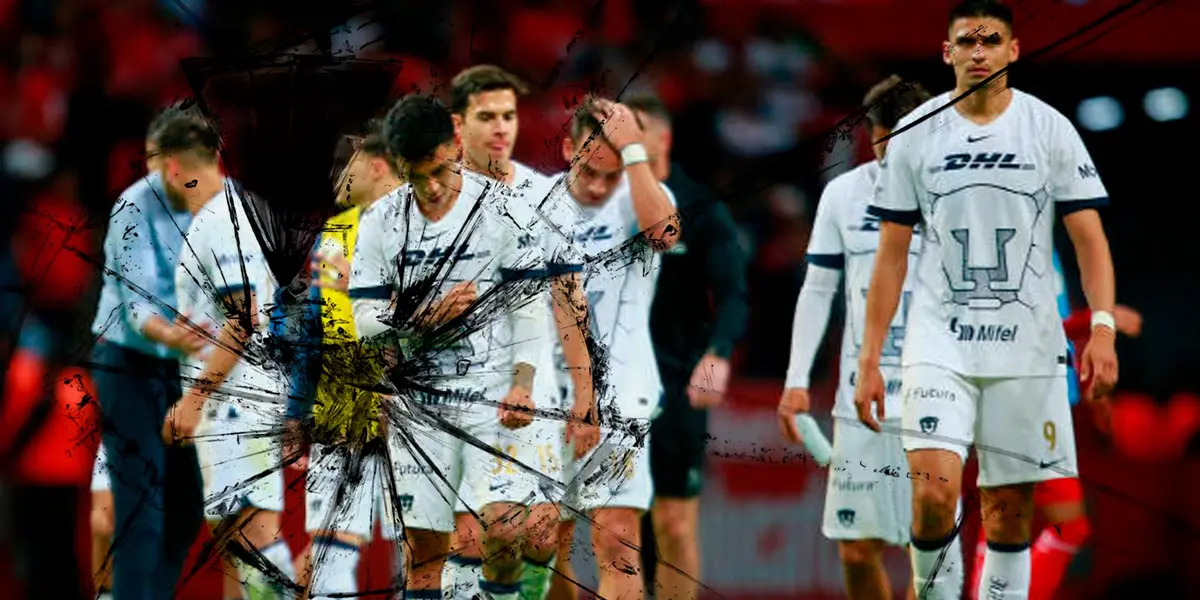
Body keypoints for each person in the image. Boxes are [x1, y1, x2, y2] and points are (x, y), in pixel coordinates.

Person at [853, 2, 1119, 599]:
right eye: (967, 42)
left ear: (1013, 50)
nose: (979, 52)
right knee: (932, 495)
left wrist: (1102, 327)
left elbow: (1089, 239)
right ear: (947, 52)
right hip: (939, 344)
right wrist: (870, 357)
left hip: (1025, 351)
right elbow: (891, 255)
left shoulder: (1049, 128)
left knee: (1007, 514)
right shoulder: (916, 133)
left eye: (991, 40)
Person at [349, 94, 577, 600]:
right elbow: (362, 318)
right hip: (420, 404)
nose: (430, 187)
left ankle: (516, 588)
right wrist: (419, 317)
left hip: (494, 397)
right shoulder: (381, 220)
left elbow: (528, 305)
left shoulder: (502, 209)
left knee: (506, 531)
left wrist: (523, 383)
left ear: (455, 145)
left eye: (438, 171)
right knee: (424, 554)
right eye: (416, 177)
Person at [777, 76, 942, 600]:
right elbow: (818, 288)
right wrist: (796, 381)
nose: (889, 148)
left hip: (935, 395)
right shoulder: (843, 194)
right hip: (861, 398)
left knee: (928, 549)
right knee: (855, 547)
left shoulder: (953, 198)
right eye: (882, 136)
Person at [441, 65, 599, 600]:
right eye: (487, 116)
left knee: (536, 535)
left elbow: (569, 301)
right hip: (450, 387)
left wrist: (585, 395)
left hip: (529, 387)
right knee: (465, 538)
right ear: (458, 124)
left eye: (508, 115)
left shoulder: (545, 197)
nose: (501, 127)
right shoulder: (434, 198)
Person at [543, 97, 681, 600]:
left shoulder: (640, 194)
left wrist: (636, 153)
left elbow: (665, 234)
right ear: (567, 150)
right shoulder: (534, 205)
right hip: (545, 393)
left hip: (623, 393)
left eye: (611, 173)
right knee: (545, 544)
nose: (600, 187)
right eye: (589, 172)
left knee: (618, 540)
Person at [615, 92, 749, 600]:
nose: (624, 141)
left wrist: (718, 352)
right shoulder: (606, 205)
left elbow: (733, 291)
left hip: (676, 378)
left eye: (636, 130)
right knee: (618, 528)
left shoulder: (700, 206)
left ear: (663, 138)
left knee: (672, 522)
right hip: (613, 383)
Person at [161, 113, 297, 598]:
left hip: (236, 404)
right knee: (235, 546)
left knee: (254, 540)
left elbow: (242, 319)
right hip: (238, 399)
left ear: (170, 166)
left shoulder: (220, 220)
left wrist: (194, 399)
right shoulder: (236, 212)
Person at [967, 251, 1142, 600]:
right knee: (1034, 521)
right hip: (1015, 396)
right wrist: (1097, 321)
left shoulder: (1047, 249)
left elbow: (1054, 321)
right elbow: (1014, 333)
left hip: (1045, 400)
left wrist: (1090, 383)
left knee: (1030, 522)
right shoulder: (1004, 245)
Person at [89, 106, 209, 600]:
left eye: (155, 158)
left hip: (185, 366)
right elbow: (139, 309)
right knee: (141, 505)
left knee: (188, 504)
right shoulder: (133, 207)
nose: (152, 169)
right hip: (129, 365)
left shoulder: (219, 203)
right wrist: (177, 335)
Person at [286, 120, 405, 597]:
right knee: (332, 551)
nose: (335, 176)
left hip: (412, 410)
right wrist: (297, 410)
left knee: (421, 551)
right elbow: (313, 330)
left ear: (376, 165)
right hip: (341, 407)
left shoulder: (426, 226)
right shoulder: (334, 234)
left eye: (345, 165)